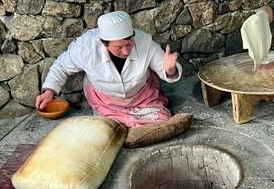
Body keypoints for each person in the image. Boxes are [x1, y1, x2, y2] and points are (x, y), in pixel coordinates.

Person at [35, 11, 192, 147]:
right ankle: (131, 132)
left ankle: (131, 134)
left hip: (142, 96)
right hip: (105, 99)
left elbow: (165, 68)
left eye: (129, 44)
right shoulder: (85, 47)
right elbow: (61, 66)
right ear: (104, 43)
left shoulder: (145, 42)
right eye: (118, 47)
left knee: (163, 118)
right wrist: (49, 90)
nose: (125, 51)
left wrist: (170, 70)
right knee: (107, 130)